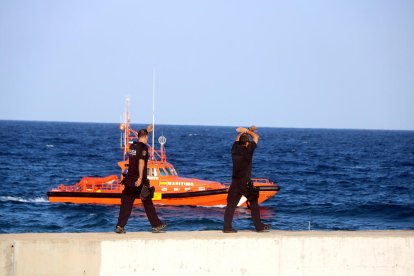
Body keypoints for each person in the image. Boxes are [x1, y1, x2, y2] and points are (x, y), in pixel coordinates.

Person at [115, 124, 167, 234]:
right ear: (144, 138)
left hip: (129, 180)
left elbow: (142, 137)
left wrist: (147, 130)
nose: (147, 139)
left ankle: (120, 226)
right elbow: (141, 162)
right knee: (148, 203)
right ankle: (156, 225)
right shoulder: (143, 147)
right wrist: (140, 177)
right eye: (147, 137)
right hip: (139, 181)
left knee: (126, 204)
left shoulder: (133, 146)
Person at [223, 125, 271, 233]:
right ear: (247, 143)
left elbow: (237, 139)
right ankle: (258, 226)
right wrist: (247, 131)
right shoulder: (248, 152)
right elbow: (256, 137)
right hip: (244, 182)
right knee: (253, 202)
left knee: (231, 205)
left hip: (235, 182)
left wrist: (246, 131)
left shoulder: (234, 149)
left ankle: (227, 227)